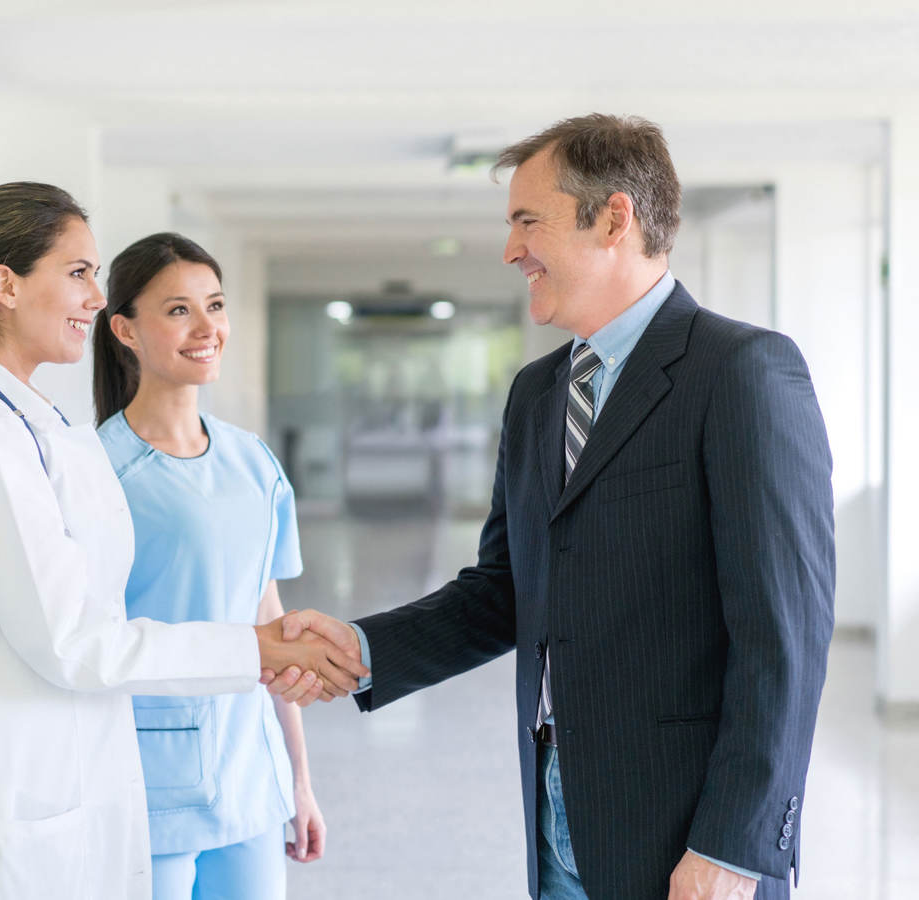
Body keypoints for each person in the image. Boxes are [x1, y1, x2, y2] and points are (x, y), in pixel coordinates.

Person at [267, 114, 835, 900]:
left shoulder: (741, 373)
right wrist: (362, 648)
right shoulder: (537, 395)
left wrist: (733, 847)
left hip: (688, 834)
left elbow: (786, 638)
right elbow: (507, 590)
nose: (510, 251)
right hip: (558, 817)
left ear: (613, 218)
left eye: (527, 222)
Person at [0, 183, 365, 900]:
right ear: (6, 286)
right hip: (18, 786)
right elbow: (78, 641)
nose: (96, 297)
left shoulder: (28, 423)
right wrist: (258, 650)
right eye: (78, 273)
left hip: (78, 770)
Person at [92, 232, 324, 900]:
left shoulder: (252, 461)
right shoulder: (97, 469)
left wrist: (299, 781)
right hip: (147, 778)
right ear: (125, 330)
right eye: (178, 311)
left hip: (250, 772)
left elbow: (270, 625)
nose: (206, 328)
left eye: (214, 306)